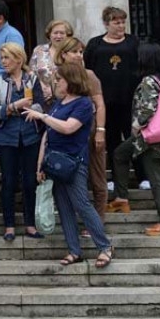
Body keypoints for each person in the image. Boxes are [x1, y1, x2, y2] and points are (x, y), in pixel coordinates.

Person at [26, 63, 115, 268]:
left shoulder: (84, 103)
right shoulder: (59, 103)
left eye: (61, 79)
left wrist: (43, 116)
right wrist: (40, 165)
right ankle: (74, 250)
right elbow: (47, 136)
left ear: (72, 81)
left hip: (74, 162)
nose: (57, 82)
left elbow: (68, 128)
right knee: (64, 208)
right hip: (54, 163)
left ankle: (104, 246)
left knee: (82, 204)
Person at [108, 43, 160, 235]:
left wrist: (136, 126)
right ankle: (121, 198)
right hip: (156, 134)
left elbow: (148, 108)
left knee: (156, 176)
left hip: (149, 136)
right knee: (120, 154)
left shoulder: (148, 81)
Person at [84, 7, 147, 191]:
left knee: (133, 137)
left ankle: (142, 175)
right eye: (116, 22)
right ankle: (110, 176)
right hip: (105, 100)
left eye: (122, 22)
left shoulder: (133, 42)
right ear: (106, 23)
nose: (120, 26)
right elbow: (88, 68)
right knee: (109, 139)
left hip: (129, 99)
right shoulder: (95, 44)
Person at [0, 42, 46, 241]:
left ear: (19, 59)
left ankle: (30, 224)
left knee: (30, 181)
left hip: (30, 135)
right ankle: (9, 226)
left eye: (7, 57)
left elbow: (41, 105)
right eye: (2, 57)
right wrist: (14, 106)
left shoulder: (32, 79)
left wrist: (32, 110)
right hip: (6, 137)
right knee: (9, 181)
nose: (3, 61)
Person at [54, 37, 108, 225]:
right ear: (63, 54)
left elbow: (100, 104)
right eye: (74, 52)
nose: (78, 55)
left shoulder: (89, 75)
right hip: (66, 134)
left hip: (89, 130)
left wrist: (100, 130)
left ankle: (98, 220)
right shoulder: (58, 76)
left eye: (80, 52)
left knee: (97, 176)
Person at [30, 19, 74, 101]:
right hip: (42, 97)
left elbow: (77, 76)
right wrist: (41, 86)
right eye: (55, 33)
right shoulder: (39, 50)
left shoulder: (73, 52)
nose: (58, 36)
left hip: (66, 97)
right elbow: (31, 73)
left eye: (62, 33)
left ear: (68, 35)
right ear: (49, 34)